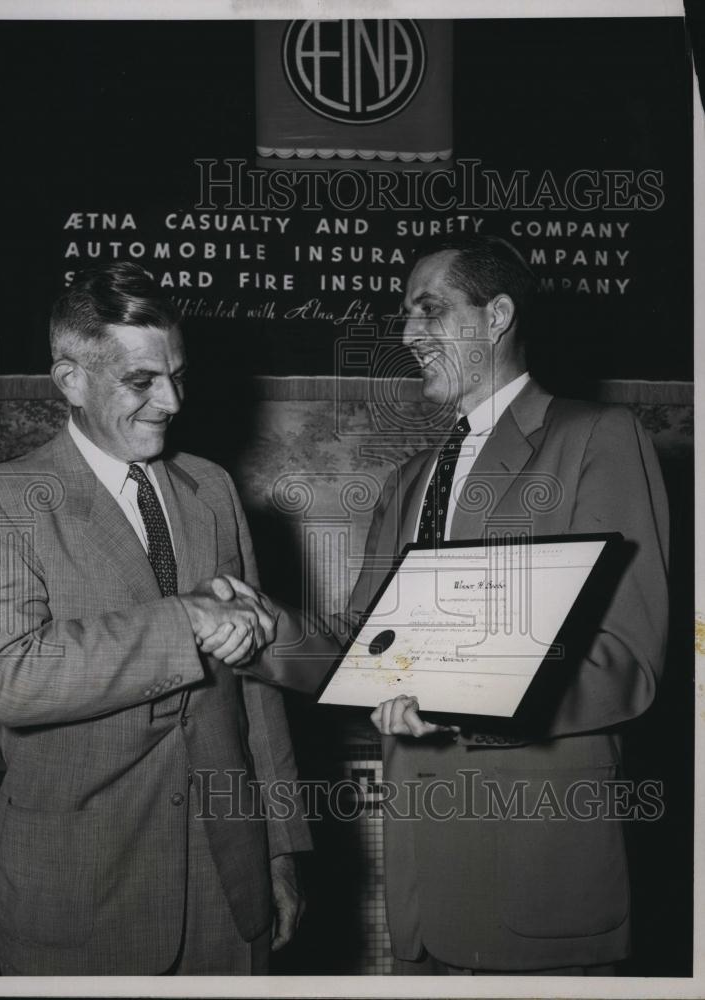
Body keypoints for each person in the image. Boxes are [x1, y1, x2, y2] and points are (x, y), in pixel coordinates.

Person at [230, 235, 670, 974]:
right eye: (404, 316)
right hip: (423, 906)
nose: (406, 335)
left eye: (427, 311)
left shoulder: (596, 438)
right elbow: (367, 647)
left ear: (496, 316)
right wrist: (257, 631)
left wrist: (453, 697)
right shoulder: (409, 480)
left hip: (540, 891)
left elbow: (625, 660)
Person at [0, 262, 309, 976]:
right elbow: (7, 676)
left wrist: (280, 847)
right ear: (71, 380)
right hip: (81, 900)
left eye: (177, 374)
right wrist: (186, 624)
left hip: (228, 894)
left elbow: (257, 691)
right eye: (142, 382)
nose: (171, 401)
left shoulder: (212, 487)